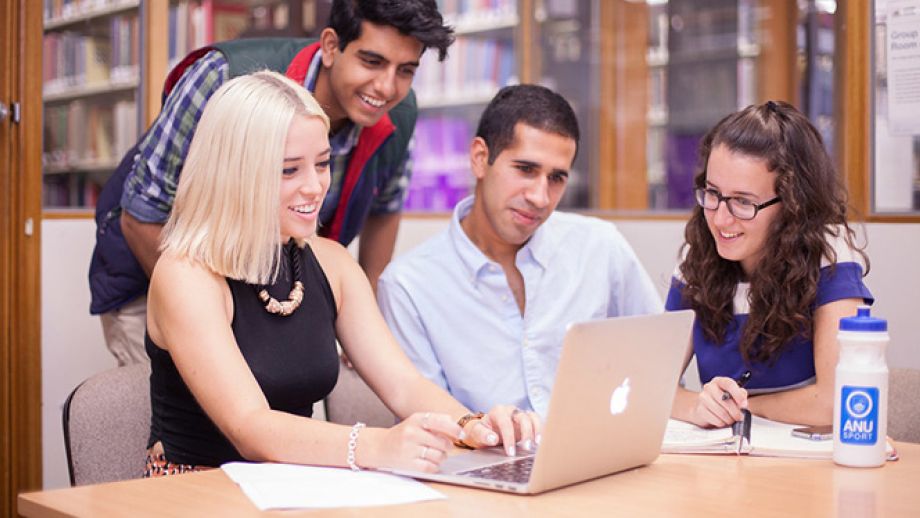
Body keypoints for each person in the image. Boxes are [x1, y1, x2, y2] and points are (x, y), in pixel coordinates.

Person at [144, 71, 538, 476]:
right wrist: (377, 444)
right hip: (195, 489)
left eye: (322, 163)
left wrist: (474, 428)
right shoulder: (185, 275)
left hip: (291, 483)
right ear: (236, 174)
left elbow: (404, 385)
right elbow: (250, 427)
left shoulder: (331, 264)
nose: (316, 187)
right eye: (289, 170)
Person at [89, 0, 454, 365]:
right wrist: (215, 319)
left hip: (278, 296)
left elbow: (384, 208)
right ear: (331, 46)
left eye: (405, 70)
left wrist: (367, 314)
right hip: (158, 276)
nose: (387, 87)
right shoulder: (221, 77)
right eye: (371, 62)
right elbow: (141, 215)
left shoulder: (398, 113)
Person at [376, 85, 662, 417]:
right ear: (480, 159)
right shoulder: (408, 287)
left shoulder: (600, 247)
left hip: (603, 460)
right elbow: (430, 429)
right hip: (478, 464)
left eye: (556, 178)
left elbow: (658, 365)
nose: (540, 197)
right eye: (526, 170)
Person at [666, 100, 873, 428]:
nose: (720, 219)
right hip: (719, 465)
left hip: (803, 465)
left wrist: (743, 407)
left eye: (743, 202)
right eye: (713, 193)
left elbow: (835, 401)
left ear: (792, 205)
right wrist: (698, 407)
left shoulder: (829, 254)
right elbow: (652, 387)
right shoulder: (697, 258)